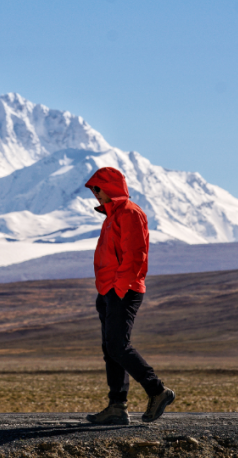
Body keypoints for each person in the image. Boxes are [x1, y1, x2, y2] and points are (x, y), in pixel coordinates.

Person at [84, 166, 175, 425]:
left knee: (117, 346)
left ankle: (158, 391)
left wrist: (119, 288)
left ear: (110, 187)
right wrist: (105, 291)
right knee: (110, 349)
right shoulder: (112, 216)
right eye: (94, 190)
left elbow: (135, 255)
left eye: (98, 189)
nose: (96, 195)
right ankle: (117, 407)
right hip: (109, 290)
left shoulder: (130, 213)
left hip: (123, 289)